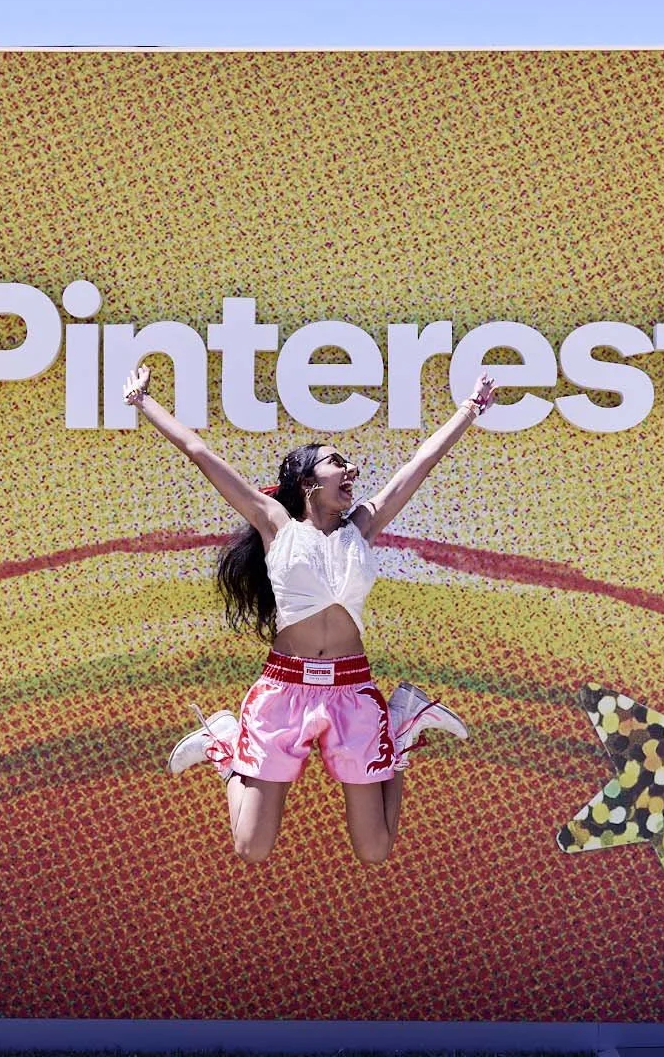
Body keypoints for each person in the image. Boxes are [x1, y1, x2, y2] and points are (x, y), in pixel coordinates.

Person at [128, 362, 492, 865]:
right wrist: (142, 401)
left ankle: (399, 727)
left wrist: (470, 409)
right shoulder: (275, 524)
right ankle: (225, 740)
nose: (351, 470)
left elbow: (420, 463)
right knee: (251, 847)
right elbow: (199, 452)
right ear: (306, 481)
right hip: (284, 693)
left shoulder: (361, 525)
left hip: (352, 691)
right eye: (337, 462)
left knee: (375, 849)